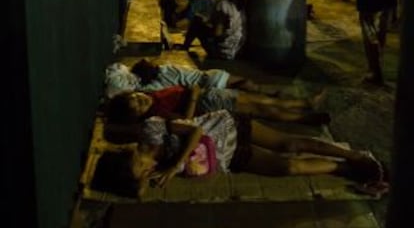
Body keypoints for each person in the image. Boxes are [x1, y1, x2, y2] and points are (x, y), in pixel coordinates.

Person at [92, 109, 388, 199]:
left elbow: (195, 133)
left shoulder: (150, 131)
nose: (145, 170)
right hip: (227, 158)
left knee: (289, 144)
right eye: (142, 174)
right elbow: (141, 189)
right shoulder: (154, 168)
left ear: (130, 156)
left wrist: (176, 165)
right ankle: (342, 170)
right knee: (287, 169)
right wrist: (184, 171)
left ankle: (353, 157)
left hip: (226, 126)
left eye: (138, 167)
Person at [103, 86, 330, 142]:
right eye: (138, 106)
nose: (140, 99)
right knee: (262, 110)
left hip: (210, 94)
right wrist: (192, 97)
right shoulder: (157, 113)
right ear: (140, 115)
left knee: (258, 100)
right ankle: (305, 117)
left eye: (134, 97)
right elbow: (187, 122)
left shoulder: (149, 94)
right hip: (207, 103)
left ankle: (303, 104)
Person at [104, 59, 268, 98]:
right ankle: (267, 92)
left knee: (243, 98)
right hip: (212, 75)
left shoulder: (155, 86)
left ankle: (264, 97)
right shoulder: (166, 66)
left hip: (206, 88)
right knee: (247, 85)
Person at [173, 0, 246, 60]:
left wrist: (204, 27)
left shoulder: (223, 4)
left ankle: (185, 47)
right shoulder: (239, 2)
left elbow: (218, 33)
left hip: (222, 53)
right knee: (200, 22)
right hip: (236, 50)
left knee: (197, 21)